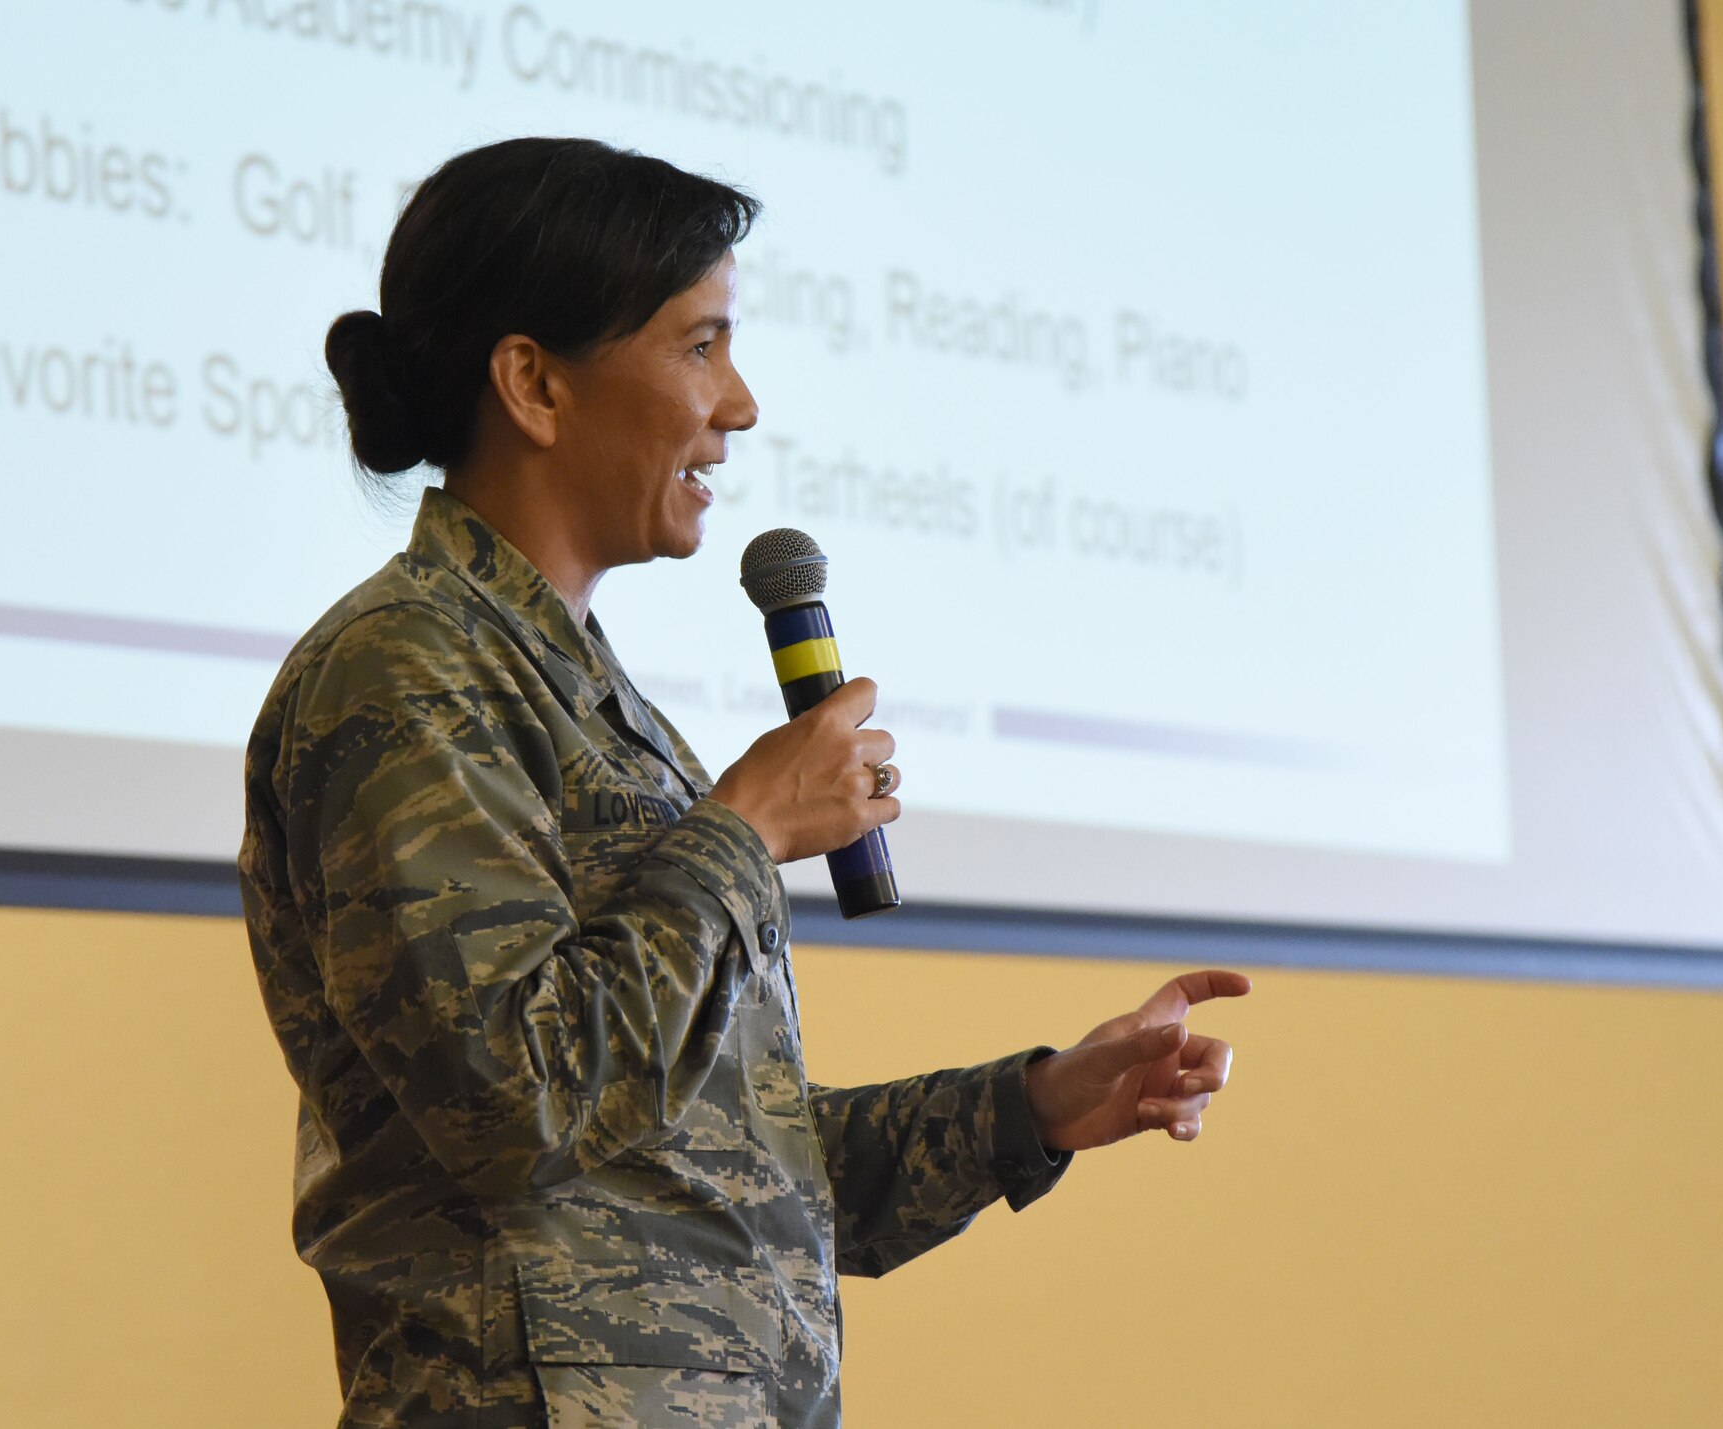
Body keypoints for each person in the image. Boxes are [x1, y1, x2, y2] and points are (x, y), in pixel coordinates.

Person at [238, 136, 1249, 1429]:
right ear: (535, 383)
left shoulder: (584, 698)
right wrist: (740, 827)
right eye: (700, 345)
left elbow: (710, 1160)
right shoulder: (407, 672)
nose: (742, 404)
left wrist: (1032, 1107)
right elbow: (515, 1103)